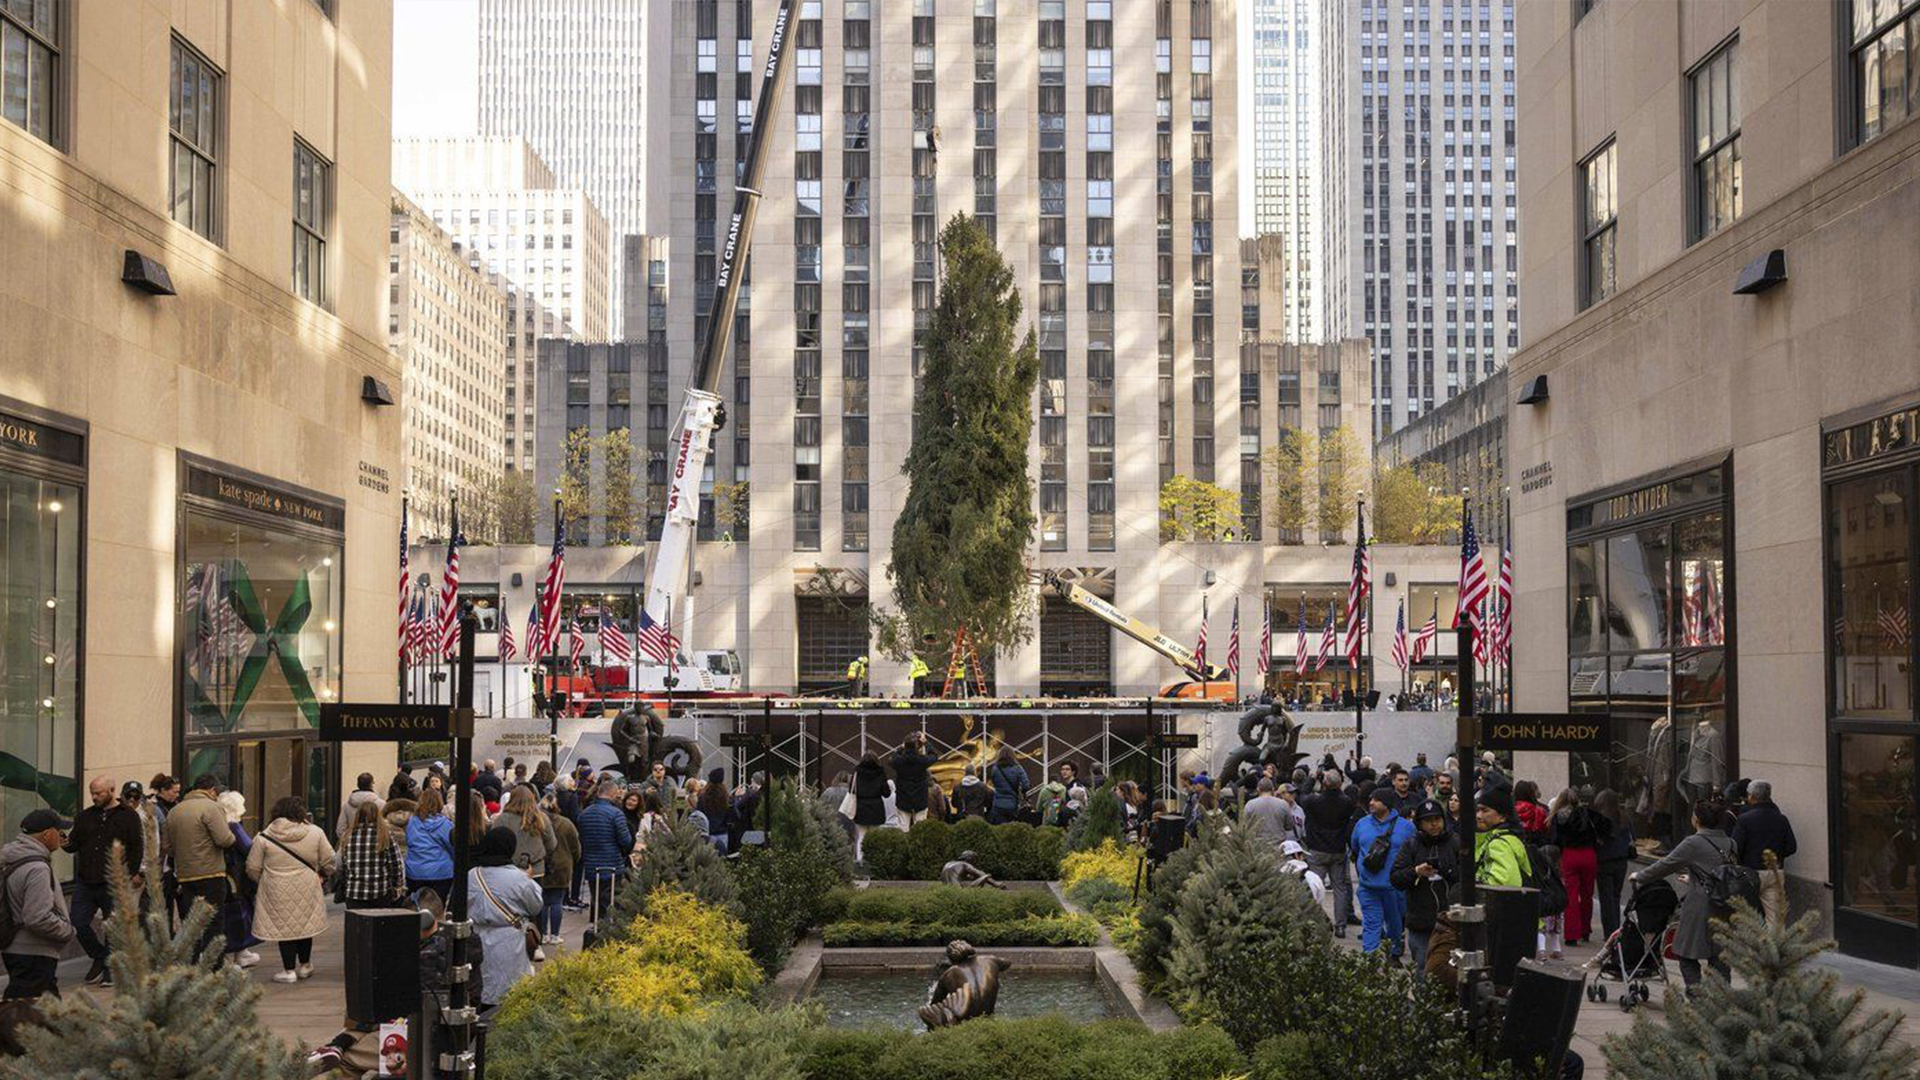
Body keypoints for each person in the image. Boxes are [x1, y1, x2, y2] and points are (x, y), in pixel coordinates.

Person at [1632, 798, 1736, 991]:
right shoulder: (1730, 842)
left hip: (1700, 906)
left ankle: (1697, 1000)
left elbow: (1665, 865)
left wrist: (1640, 876)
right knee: (1719, 957)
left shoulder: (1693, 842)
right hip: (1725, 905)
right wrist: (1693, 877)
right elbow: (1721, 872)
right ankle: (1722, 1002)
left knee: (1686, 954)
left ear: (1696, 819)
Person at [247, 795, 337, 984]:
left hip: (275, 887)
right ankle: (305, 965)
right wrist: (323, 874)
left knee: (284, 927)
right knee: (304, 924)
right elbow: (330, 860)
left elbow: (253, 867)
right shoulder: (315, 832)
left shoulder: (263, 836)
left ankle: (288, 971)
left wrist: (264, 881)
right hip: (307, 884)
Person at [63, 774, 143, 986]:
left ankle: (110, 968)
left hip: (113, 881)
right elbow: (75, 843)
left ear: (111, 791)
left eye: (98, 793)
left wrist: (130, 873)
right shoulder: (85, 816)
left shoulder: (128, 816)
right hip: (86, 881)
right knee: (78, 923)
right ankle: (99, 956)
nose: (94, 797)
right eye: (92, 793)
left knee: (112, 927)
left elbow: (137, 847)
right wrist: (64, 843)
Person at [467, 826, 544, 1007]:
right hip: (510, 938)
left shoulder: (471, 875)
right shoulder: (519, 878)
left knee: (482, 983)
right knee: (510, 988)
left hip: (476, 936)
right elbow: (536, 906)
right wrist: (529, 878)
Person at [0, 810, 73, 1000]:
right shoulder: (37, 868)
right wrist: (67, 931)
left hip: (14, 947)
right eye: (60, 832)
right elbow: (37, 917)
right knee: (29, 1016)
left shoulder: (11, 859)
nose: (62, 837)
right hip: (34, 951)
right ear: (48, 834)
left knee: (43, 1012)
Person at [164, 773, 235, 959]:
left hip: (186, 876)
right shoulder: (212, 807)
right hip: (211, 873)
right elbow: (224, 839)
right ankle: (214, 966)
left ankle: (192, 963)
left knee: (191, 924)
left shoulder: (175, 811)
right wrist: (233, 833)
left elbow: (167, 847)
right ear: (212, 790)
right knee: (214, 923)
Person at [1391, 798, 1461, 978]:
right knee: (1422, 970)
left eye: (1437, 819)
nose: (1434, 825)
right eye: (1428, 821)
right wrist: (1416, 871)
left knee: (1450, 971)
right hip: (1420, 921)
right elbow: (1396, 878)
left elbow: (1467, 877)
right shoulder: (1412, 844)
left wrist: (1447, 870)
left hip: (1450, 922)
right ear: (1420, 823)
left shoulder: (1454, 842)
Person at [1349, 786, 1415, 958]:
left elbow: (1413, 851)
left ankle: (1394, 951)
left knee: (1394, 924)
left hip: (1394, 887)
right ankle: (1370, 959)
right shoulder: (1362, 824)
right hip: (1368, 886)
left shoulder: (1406, 827)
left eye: (1376, 800)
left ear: (1387, 804)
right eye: (1371, 799)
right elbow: (1354, 847)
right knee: (1371, 923)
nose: (1371, 803)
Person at [1301, 769, 1358, 937]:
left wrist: (1311, 778)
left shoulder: (1313, 801)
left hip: (1317, 849)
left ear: (1324, 784)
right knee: (1340, 888)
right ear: (1340, 784)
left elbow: (1303, 795)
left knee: (1313, 887)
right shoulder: (1347, 802)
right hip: (1337, 849)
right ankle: (1340, 925)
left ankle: (1314, 922)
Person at [1732, 779, 1797, 926]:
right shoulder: (1781, 819)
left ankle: (1750, 947)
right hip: (1775, 872)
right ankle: (1772, 948)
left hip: (1750, 872)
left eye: (1748, 795)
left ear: (1753, 797)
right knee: (1774, 919)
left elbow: (1735, 847)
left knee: (1747, 916)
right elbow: (1791, 847)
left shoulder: (1744, 819)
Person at [1550, 787, 1609, 947]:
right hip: (1588, 854)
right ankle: (1585, 930)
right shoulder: (1588, 813)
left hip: (1570, 855)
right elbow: (1606, 826)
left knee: (1571, 895)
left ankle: (1571, 934)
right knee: (1587, 895)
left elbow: (1555, 839)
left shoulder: (1558, 816)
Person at [576, 779, 634, 919]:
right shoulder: (616, 813)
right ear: (612, 793)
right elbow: (626, 841)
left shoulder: (584, 814)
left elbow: (581, 839)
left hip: (591, 865)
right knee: (612, 903)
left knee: (597, 900)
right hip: (612, 865)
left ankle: (597, 928)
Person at [216, 790, 261, 970]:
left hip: (229, 874)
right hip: (236, 875)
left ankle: (240, 952)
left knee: (235, 912)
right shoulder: (233, 826)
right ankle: (234, 954)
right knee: (238, 913)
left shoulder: (221, 824)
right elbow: (247, 847)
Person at [339, 798, 404, 911]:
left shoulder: (347, 836)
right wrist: (396, 885)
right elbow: (396, 864)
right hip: (380, 891)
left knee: (358, 927)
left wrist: (346, 883)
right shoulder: (385, 835)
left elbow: (343, 864)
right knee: (379, 927)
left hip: (355, 892)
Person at [538, 792, 580, 948]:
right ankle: (555, 935)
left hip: (542, 864)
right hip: (562, 865)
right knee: (556, 901)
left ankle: (542, 934)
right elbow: (576, 847)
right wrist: (573, 860)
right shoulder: (567, 823)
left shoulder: (537, 823)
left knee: (542, 902)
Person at [1592, 788, 1634, 942]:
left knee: (1606, 898)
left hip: (1604, 861)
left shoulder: (1601, 819)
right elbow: (1631, 837)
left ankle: (1609, 932)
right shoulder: (1624, 817)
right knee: (1616, 897)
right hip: (1621, 861)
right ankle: (1617, 929)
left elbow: (1595, 840)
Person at [404, 789, 456, 904]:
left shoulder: (412, 822)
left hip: (415, 872)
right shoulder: (444, 824)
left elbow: (409, 841)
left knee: (416, 906)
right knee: (438, 907)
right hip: (441, 873)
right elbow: (452, 847)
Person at [497, 785, 558, 881]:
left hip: (508, 869)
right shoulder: (542, 818)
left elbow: (494, 844)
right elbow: (551, 844)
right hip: (536, 869)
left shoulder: (502, 819)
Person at [891, 733, 940, 827]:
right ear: (917, 746)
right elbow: (934, 756)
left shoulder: (899, 761)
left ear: (905, 746)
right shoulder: (922, 760)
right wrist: (926, 743)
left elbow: (892, 758)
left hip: (903, 799)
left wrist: (901, 748)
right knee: (920, 830)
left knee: (903, 828)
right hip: (920, 799)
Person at [851, 751, 891, 862]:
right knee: (875, 838)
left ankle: (860, 862)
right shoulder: (880, 772)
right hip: (876, 808)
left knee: (861, 837)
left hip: (861, 808)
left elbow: (852, 790)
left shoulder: (857, 772)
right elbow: (886, 793)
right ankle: (875, 861)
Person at [1241, 778, 1293, 851]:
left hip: (1258, 849)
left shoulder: (1250, 805)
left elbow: (1244, 827)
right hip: (1278, 848)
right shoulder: (1283, 804)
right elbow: (1289, 826)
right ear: (1272, 789)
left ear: (1258, 789)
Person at [334, 772, 383, 845]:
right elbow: (384, 827)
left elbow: (340, 829)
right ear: (371, 785)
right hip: (376, 844)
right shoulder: (381, 804)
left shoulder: (347, 806)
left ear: (358, 784)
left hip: (352, 845)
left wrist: (349, 842)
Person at [986, 748, 1029, 826]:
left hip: (997, 804)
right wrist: (1021, 791)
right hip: (1012, 804)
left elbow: (994, 782)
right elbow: (1026, 785)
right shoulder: (1017, 768)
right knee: (1011, 828)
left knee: (999, 828)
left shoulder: (995, 769)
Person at [1278, 839, 1327, 905]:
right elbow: (1320, 898)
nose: (1303, 858)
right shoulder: (1312, 876)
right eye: (1302, 855)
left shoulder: (1275, 878)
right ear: (1297, 855)